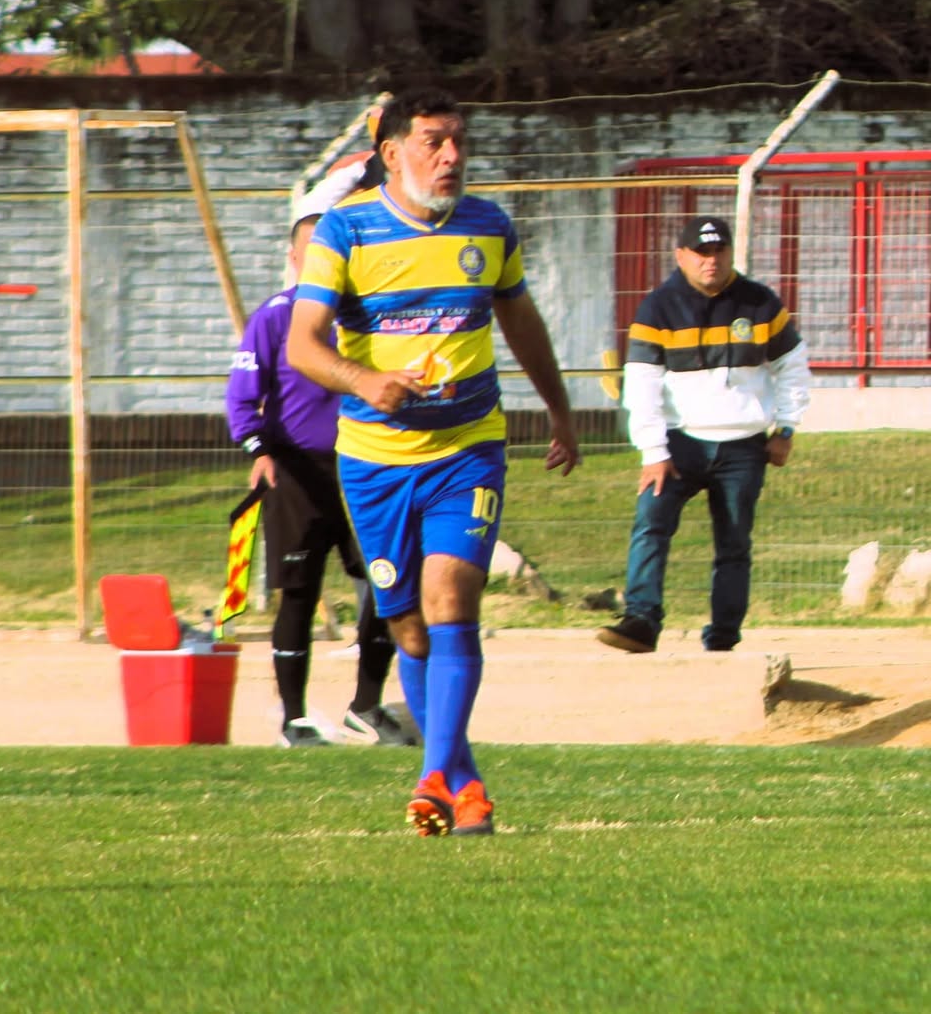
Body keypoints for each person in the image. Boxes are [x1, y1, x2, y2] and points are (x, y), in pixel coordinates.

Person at [286, 86, 580, 836]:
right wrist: (365, 381)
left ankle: (431, 778)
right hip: (375, 463)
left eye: (458, 142)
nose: (451, 156)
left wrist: (559, 407)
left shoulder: (489, 226)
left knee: (452, 601)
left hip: (468, 450)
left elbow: (520, 318)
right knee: (410, 629)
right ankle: (465, 782)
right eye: (433, 142)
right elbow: (303, 344)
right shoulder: (345, 230)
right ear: (392, 153)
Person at [225, 165, 413, 748]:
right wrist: (259, 450)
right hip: (298, 472)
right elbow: (241, 398)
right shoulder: (275, 318)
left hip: (368, 465)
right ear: (293, 257)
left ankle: (366, 707)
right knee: (299, 593)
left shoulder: (369, 313)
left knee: (387, 582)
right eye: (308, 254)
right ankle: (293, 719)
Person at [598, 216, 812, 655]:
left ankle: (723, 638)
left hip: (744, 445)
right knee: (651, 524)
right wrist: (653, 451)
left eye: (718, 251)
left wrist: (786, 427)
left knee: (734, 543)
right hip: (679, 442)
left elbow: (792, 366)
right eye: (701, 252)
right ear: (681, 256)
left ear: (730, 253)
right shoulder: (657, 308)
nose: (710, 260)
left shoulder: (760, 302)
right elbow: (641, 384)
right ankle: (641, 620)